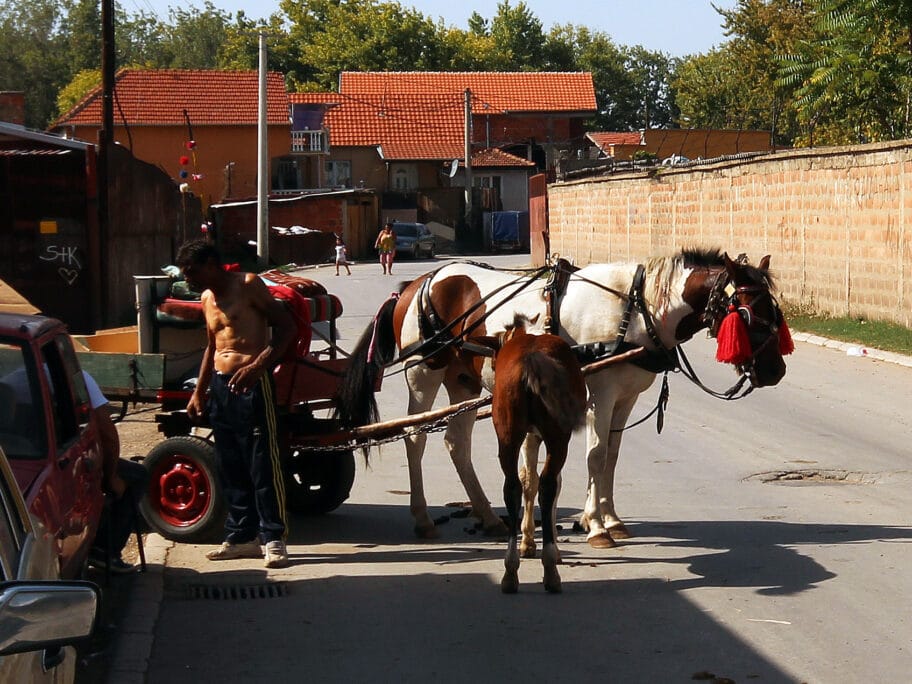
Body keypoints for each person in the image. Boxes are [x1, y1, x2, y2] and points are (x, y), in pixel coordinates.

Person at [176, 239, 297, 569]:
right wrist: (198, 391)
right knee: (231, 465)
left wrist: (258, 367)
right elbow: (210, 346)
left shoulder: (248, 285)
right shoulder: (206, 298)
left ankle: (273, 538)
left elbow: (287, 328)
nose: (188, 278)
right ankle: (241, 537)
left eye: (193, 271)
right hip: (220, 387)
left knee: (262, 464)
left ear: (212, 265)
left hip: (253, 386)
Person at [85, 371, 149, 574]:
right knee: (138, 475)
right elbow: (108, 435)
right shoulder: (80, 377)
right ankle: (105, 549)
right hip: (80, 457)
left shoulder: (15, 376)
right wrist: (111, 476)